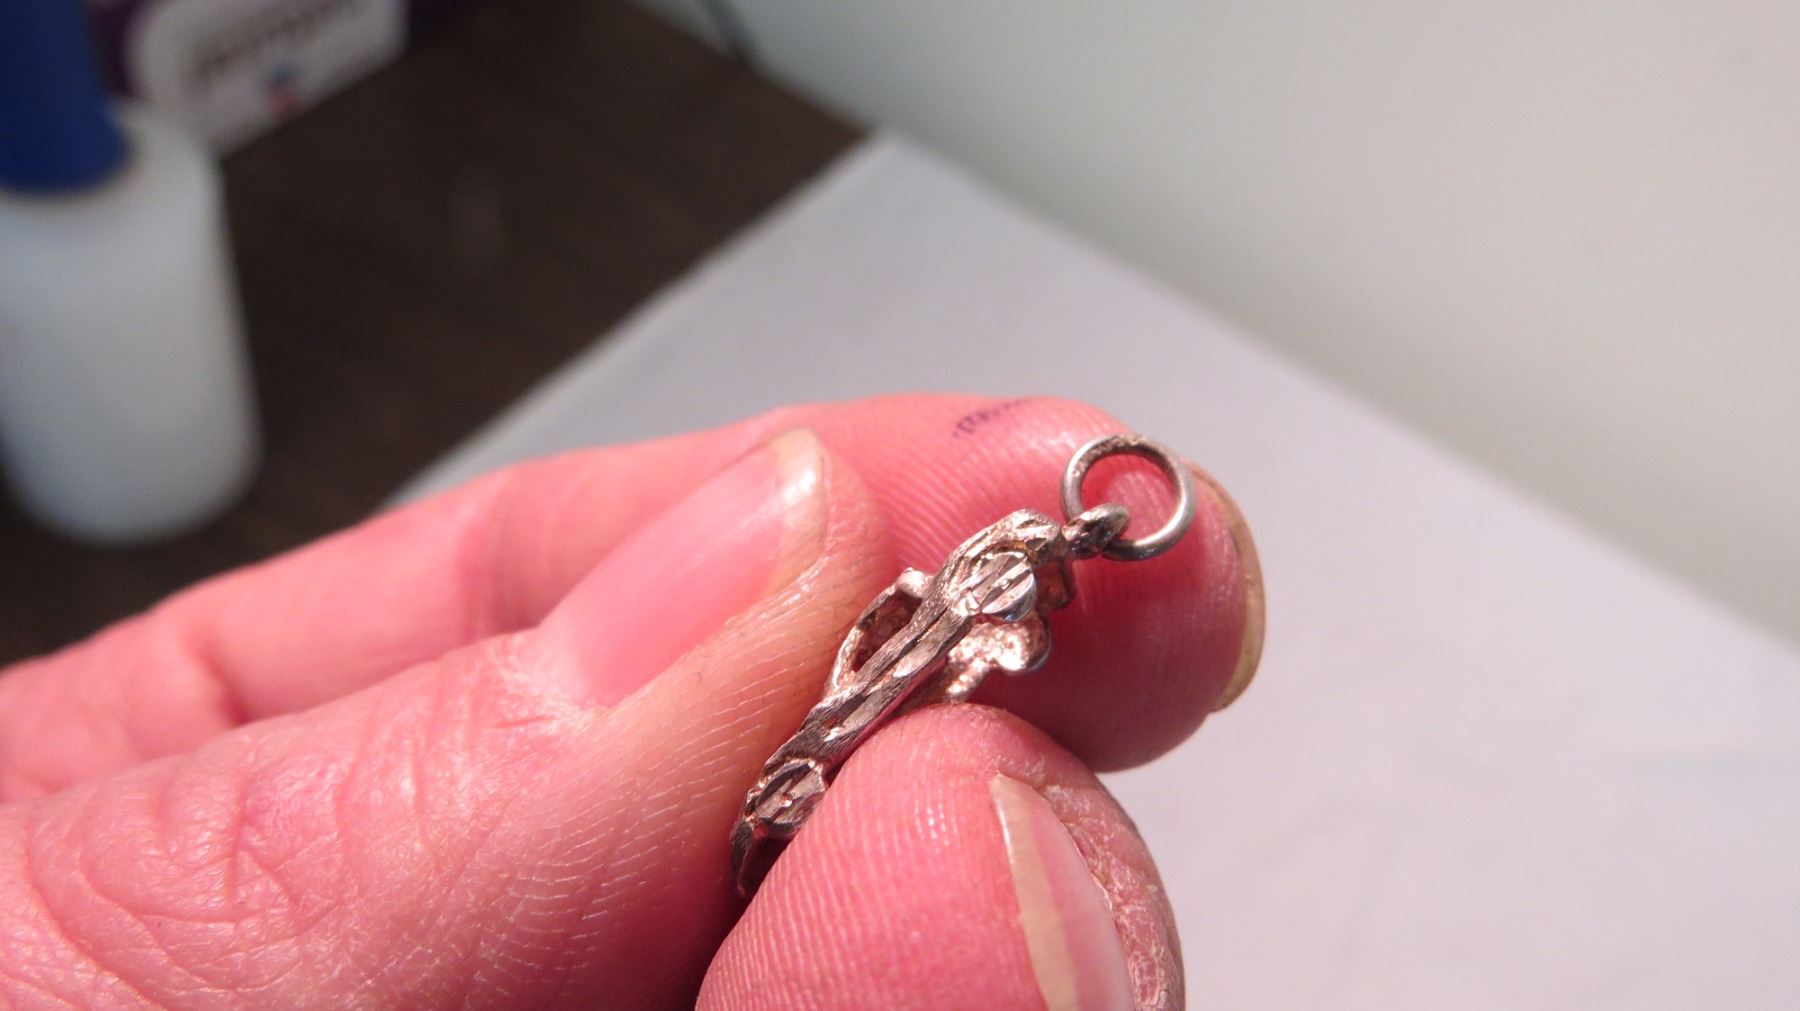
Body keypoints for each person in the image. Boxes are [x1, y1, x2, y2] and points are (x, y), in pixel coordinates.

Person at [0, 395, 1263, 1010]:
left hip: (873, 714)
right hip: (840, 708)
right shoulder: (949, 584)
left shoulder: (1013, 621)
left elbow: (967, 655)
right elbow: (885, 616)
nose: (1010, 564)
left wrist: (958, 658)